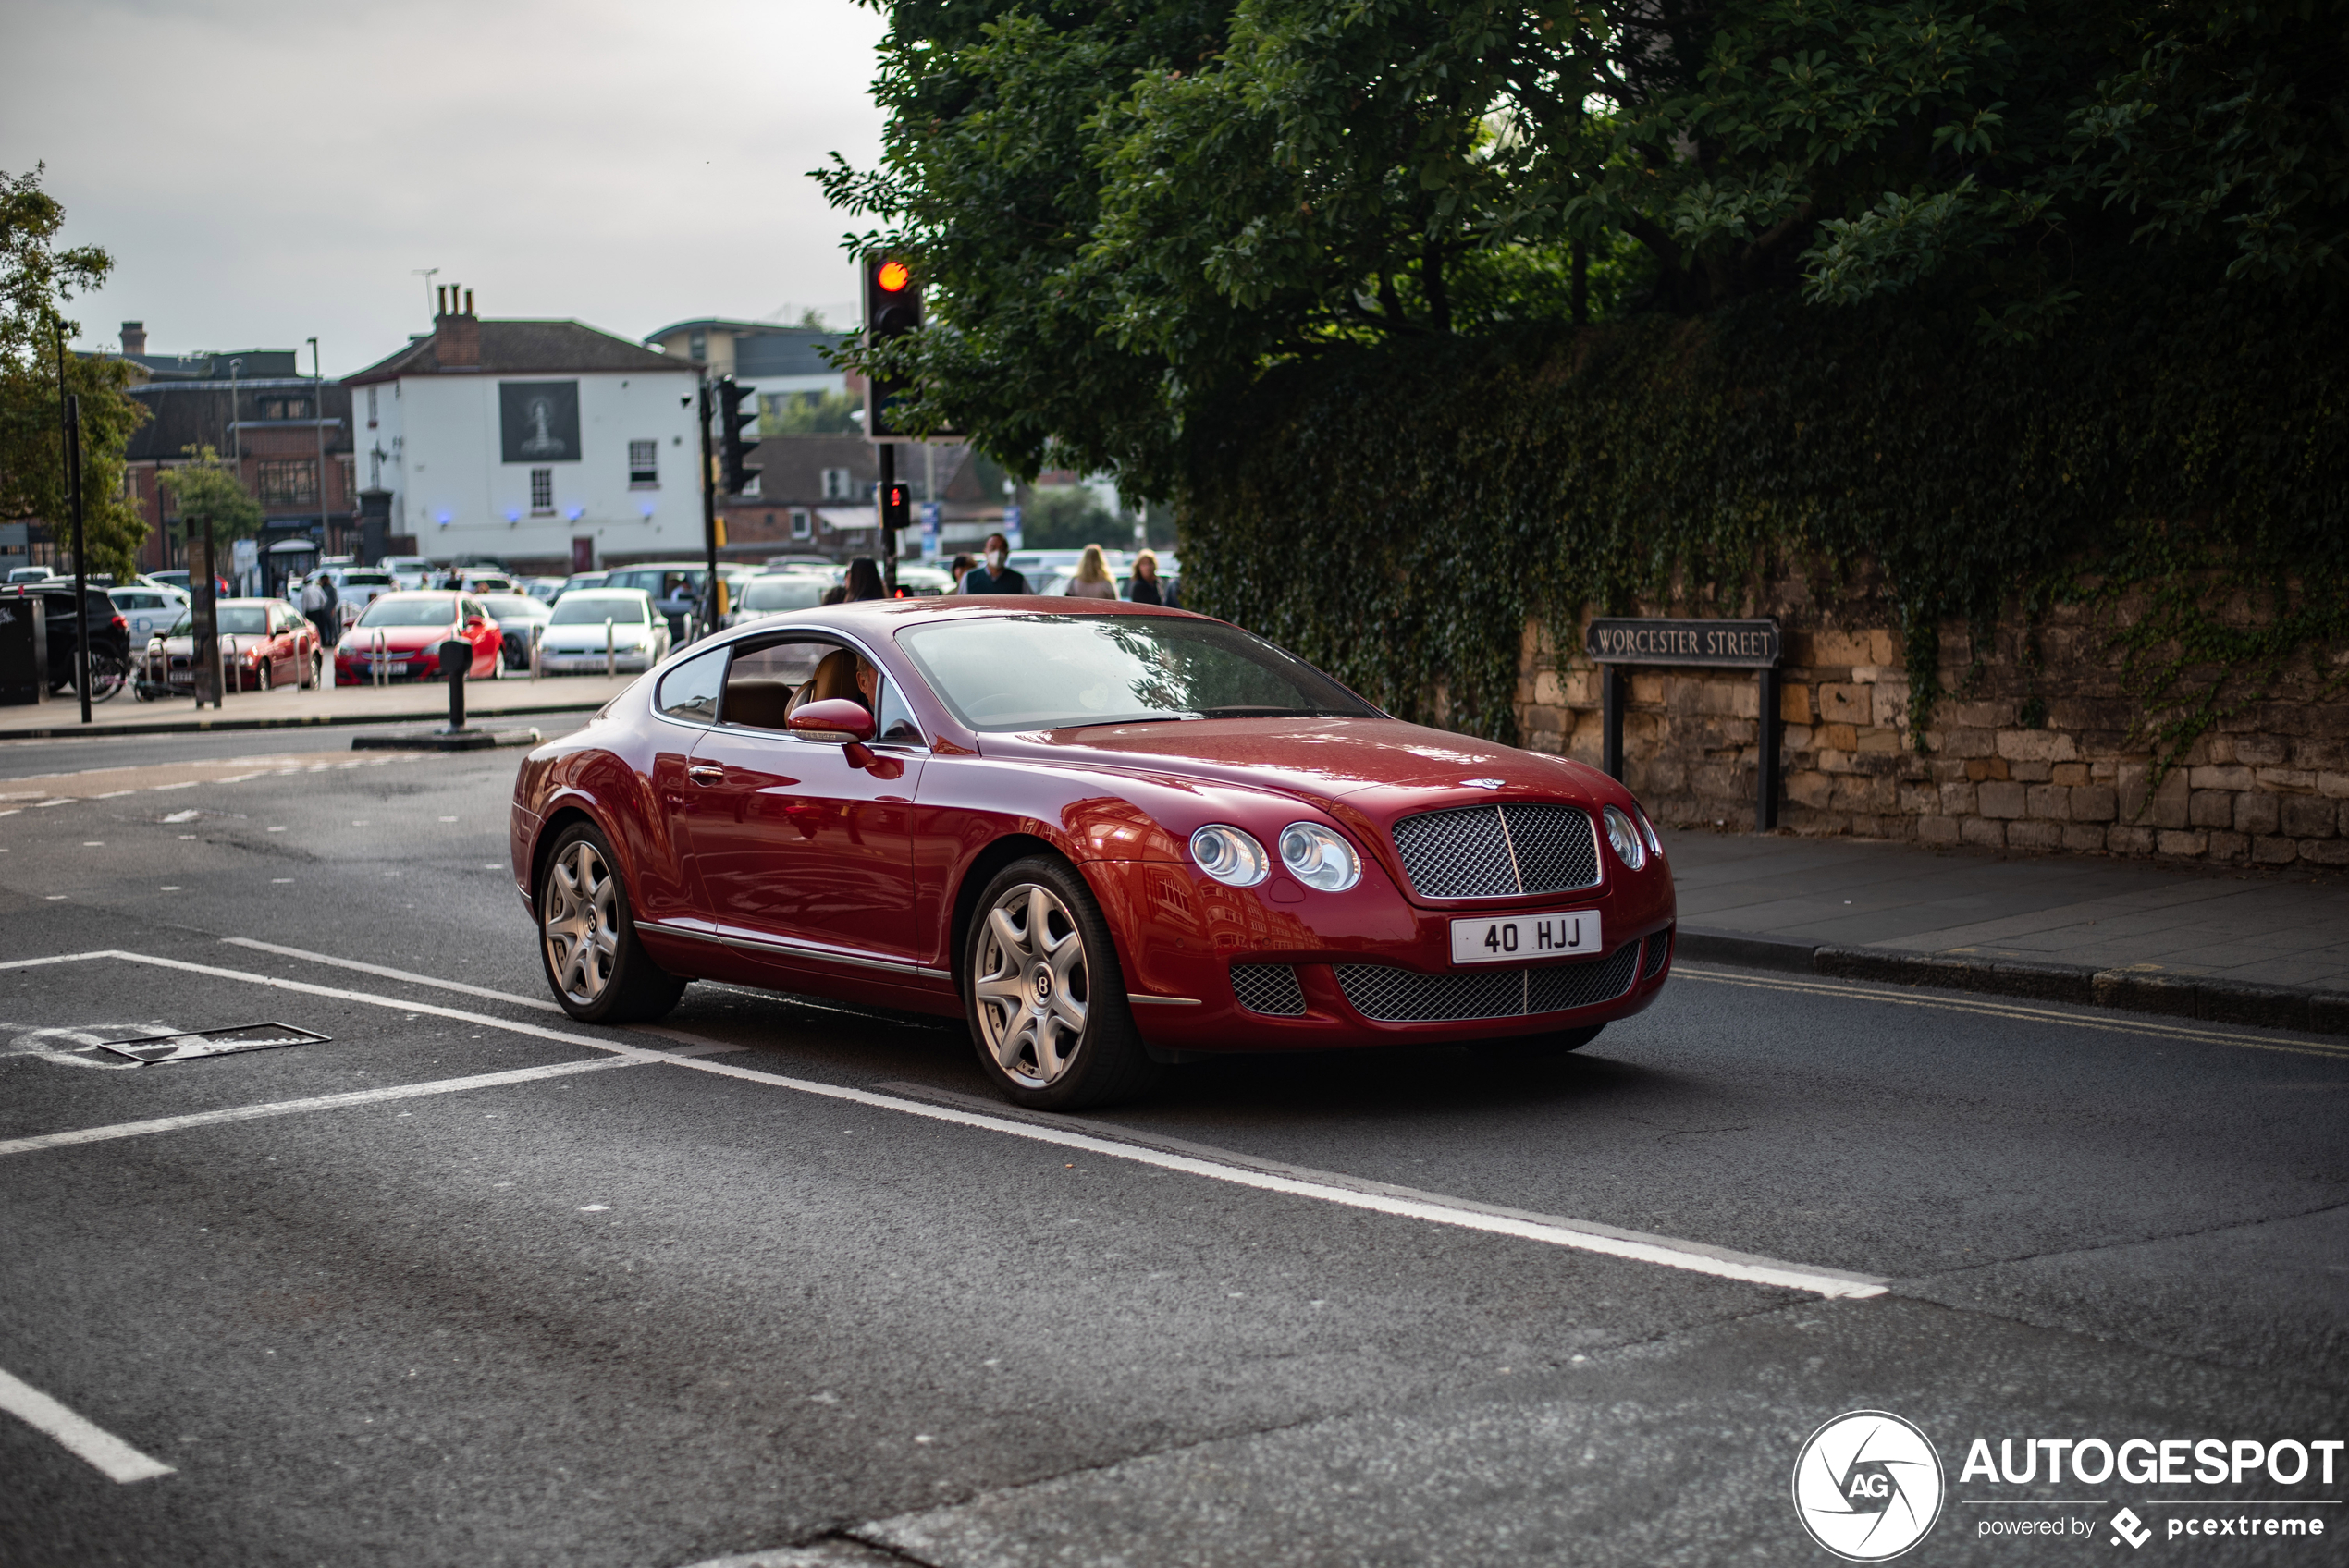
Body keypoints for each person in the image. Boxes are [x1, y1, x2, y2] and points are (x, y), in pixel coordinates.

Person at [959, 533, 1027, 594]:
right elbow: (961, 604)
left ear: (1007, 553)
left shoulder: (1018, 579)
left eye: (1002, 549)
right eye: (992, 548)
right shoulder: (970, 578)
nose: (997, 553)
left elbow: (1031, 603)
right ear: (985, 552)